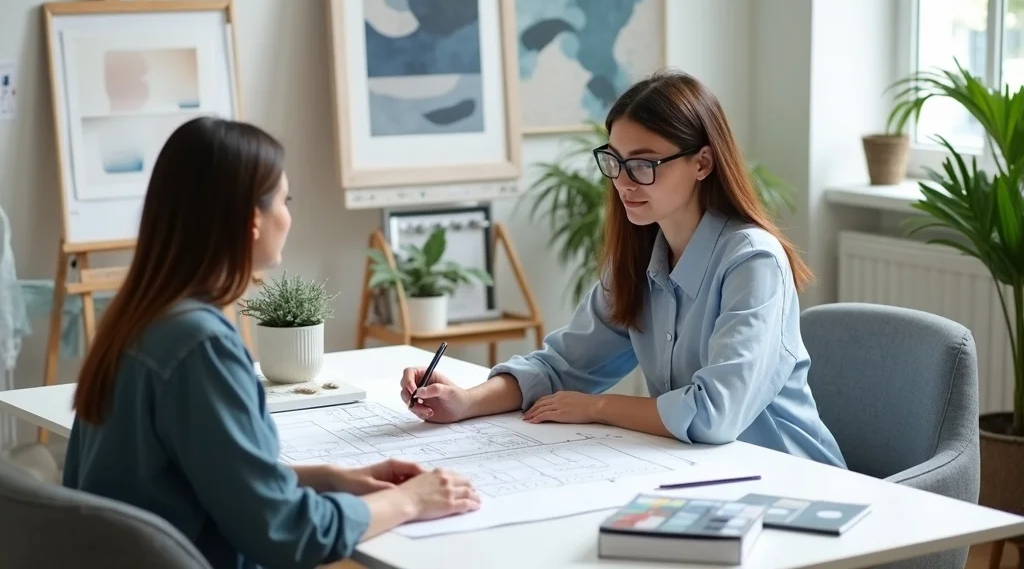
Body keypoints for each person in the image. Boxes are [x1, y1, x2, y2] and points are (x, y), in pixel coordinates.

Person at [63, 117, 481, 569]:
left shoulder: (136, 318)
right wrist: (412, 502)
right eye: (286, 199)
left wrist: (329, 478)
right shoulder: (199, 346)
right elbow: (285, 532)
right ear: (252, 221)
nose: (289, 215)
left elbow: (196, 477)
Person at [400, 70, 847, 469]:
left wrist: (596, 408)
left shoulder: (753, 261)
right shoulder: (639, 260)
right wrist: (465, 401)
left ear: (702, 163)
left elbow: (714, 414)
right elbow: (561, 367)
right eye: (615, 161)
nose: (624, 182)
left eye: (644, 163)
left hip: (794, 480)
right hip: (702, 475)